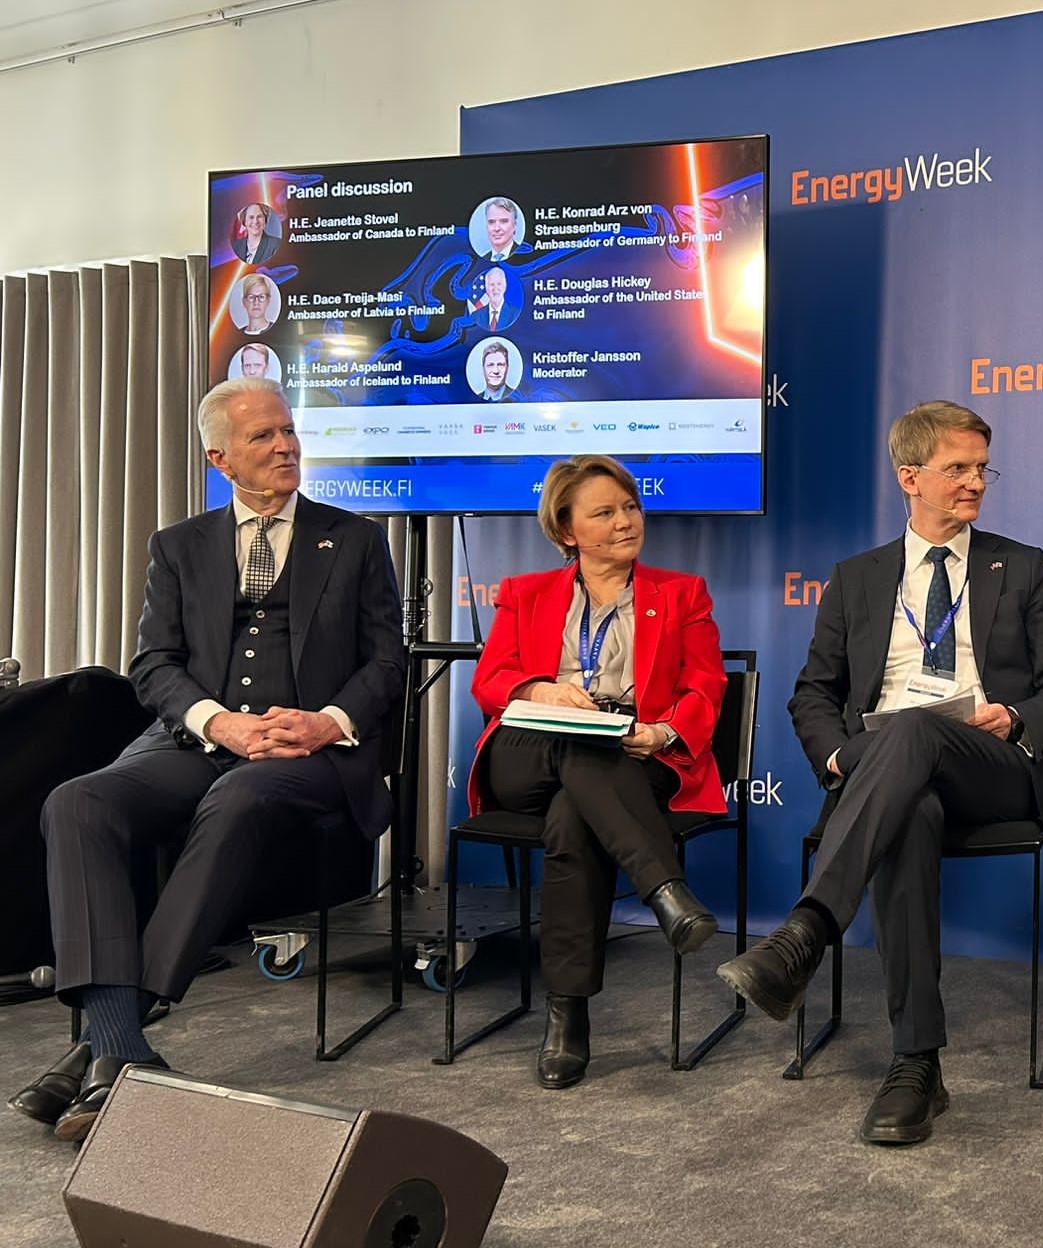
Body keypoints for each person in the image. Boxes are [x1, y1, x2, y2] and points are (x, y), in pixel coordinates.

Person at [14, 377, 402, 1143]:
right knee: (75, 802)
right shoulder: (179, 545)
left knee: (241, 800)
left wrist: (324, 723)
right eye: (264, 437)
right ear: (220, 456)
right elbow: (152, 664)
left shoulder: (354, 539)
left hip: (308, 752)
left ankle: (103, 1045)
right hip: (200, 741)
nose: (285, 445)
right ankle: (123, 1047)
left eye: (288, 431)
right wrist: (216, 722)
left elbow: (388, 663)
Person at [717, 400, 1043, 1146]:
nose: (976, 483)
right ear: (909, 476)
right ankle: (916, 1064)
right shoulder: (857, 577)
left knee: (917, 727)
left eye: (983, 468)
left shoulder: (1021, 566)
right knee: (908, 806)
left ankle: (807, 930)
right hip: (883, 770)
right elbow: (814, 694)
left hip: (992, 763)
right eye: (958, 469)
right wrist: (833, 754)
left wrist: (1013, 719)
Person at [467, 454, 727, 1089]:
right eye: (604, 513)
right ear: (566, 530)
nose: (624, 522)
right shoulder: (525, 593)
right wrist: (541, 689)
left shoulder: (680, 593)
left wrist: (658, 731)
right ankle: (663, 887)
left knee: (572, 819)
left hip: (635, 752)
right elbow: (490, 681)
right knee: (578, 747)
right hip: (530, 750)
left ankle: (567, 1015)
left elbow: (704, 685)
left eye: (630, 507)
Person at [472, 267, 516, 334]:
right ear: (486, 288)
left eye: (499, 284)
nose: (495, 289)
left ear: (505, 286)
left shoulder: (514, 314)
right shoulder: (476, 316)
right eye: (492, 284)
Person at [479, 197, 521, 261]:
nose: (497, 228)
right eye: (491, 222)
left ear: (514, 225)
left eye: (503, 221)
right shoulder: (481, 260)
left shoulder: (526, 256)